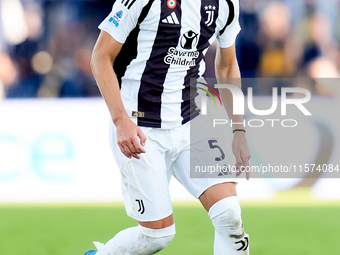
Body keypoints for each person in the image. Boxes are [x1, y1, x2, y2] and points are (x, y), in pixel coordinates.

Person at [88, 0, 251, 254]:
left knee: (230, 216)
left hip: (193, 122)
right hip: (140, 126)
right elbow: (100, 56)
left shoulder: (226, 4)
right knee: (157, 236)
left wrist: (238, 130)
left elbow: (228, 65)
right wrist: (121, 122)